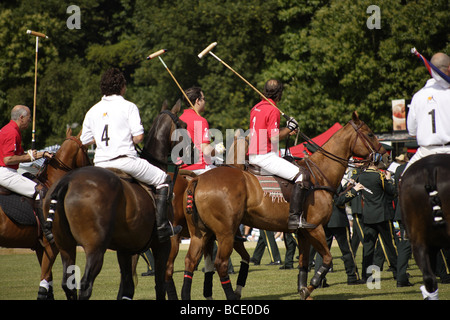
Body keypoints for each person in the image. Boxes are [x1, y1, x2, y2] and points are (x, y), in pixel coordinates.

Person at [80, 68, 181, 242]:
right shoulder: (128, 106)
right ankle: (162, 227)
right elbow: (139, 137)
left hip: (100, 166)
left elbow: (85, 140)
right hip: (125, 161)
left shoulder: (93, 110)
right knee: (163, 179)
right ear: (122, 87)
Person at [248, 79, 314, 230]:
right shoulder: (273, 109)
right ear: (279, 94)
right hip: (265, 156)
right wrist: (289, 127)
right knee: (302, 175)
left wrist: (287, 130)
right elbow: (274, 137)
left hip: (253, 154)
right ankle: (294, 218)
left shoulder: (256, 107)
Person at [404, 52, 450, 224]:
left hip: (424, 152)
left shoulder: (418, 96)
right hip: (448, 149)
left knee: (402, 181)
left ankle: (408, 227)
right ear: (449, 69)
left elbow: (411, 131)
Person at [314, 179, 365, 286]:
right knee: (347, 251)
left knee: (322, 252)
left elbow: (338, 194)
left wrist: (347, 187)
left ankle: (319, 279)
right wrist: (354, 191)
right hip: (338, 220)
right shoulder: (333, 181)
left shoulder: (319, 181)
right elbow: (339, 200)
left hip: (324, 220)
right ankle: (352, 277)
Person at [357, 155, 398, 281]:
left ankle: (366, 275)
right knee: (389, 245)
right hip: (382, 215)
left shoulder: (361, 176)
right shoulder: (379, 176)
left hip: (368, 215)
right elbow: (391, 191)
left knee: (368, 247)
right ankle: (398, 273)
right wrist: (389, 179)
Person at [0, 105, 51, 198]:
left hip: (8, 172)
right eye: (29, 117)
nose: (30, 120)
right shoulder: (11, 132)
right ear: (21, 118)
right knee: (41, 192)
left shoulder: (10, 129)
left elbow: (20, 156)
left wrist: (42, 154)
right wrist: (29, 157)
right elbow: (8, 159)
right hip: (6, 173)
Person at [179, 87, 224, 175]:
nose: (204, 102)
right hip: (200, 168)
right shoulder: (200, 120)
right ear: (197, 101)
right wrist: (219, 149)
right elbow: (206, 150)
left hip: (181, 168)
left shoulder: (179, 119)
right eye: (203, 99)